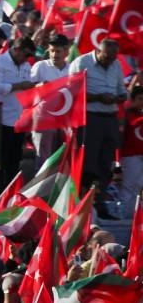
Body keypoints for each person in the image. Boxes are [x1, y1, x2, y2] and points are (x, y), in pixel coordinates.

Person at [70, 39, 128, 213]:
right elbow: (72, 91)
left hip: (110, 117)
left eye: (113, 57)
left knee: (106, 162)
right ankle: (82, 201)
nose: (110, 60)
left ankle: (99, 200)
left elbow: (121, 90)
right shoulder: (81, 63)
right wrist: (98, 97)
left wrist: (120, 97)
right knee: (88, 162)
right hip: (90, 118)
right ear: (98, 50)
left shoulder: (116, 64)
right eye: (107, 57)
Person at [0, 37, 35, 190]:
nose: (27, 59)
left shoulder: (26, 65)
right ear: (17, 49)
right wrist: (19, 85)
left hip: (18, 119)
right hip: (0, 118)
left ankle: (11, 193)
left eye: (29, 56)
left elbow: (27, 90)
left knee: (14, 161)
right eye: (25, 55)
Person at [29, 34, 70, 166]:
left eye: (58, 51)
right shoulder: (40, 67)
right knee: (42, 160)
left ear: (66, 51)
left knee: (62, 158)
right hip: (43, 118)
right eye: (51, 50)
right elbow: (27, 89)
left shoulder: (72, 69)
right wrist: (39, 86)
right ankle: (40, 186)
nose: (54, 54)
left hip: (64, 119)